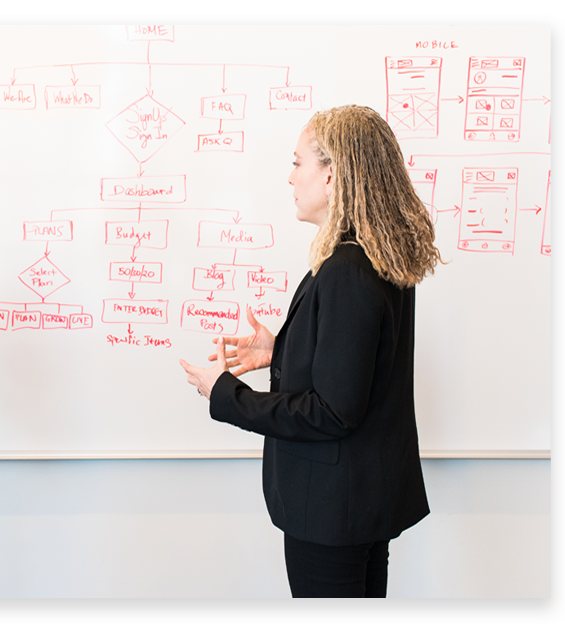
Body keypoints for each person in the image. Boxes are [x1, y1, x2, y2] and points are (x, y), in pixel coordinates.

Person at [179, 105, 442, 598]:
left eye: (298, 163)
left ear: (332, 173)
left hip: (332, 513)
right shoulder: (378, 255)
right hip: (360, 502)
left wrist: (226, 393)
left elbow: (332, 411)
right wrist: (280, 351)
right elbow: (361, 366)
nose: (290, 177)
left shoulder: (347, 267)